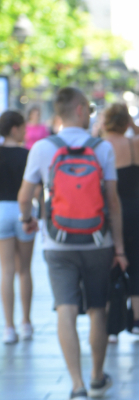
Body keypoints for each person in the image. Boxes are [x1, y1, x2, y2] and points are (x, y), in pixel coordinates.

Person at [18, 87, 128, 400]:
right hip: (98, 241)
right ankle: (96, 376)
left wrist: (28, 220)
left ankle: (77, 386)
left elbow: (25, 197)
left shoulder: (42, 148)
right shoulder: (102, 148)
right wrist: (119, 248)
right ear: (81, 110)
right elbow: (113, 203)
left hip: (57, 241)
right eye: (90, 108)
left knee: (65, 308)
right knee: (97, 308)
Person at [101, 104, 139, 342]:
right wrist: (135, 127)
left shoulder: (102, 146)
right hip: (136, 208)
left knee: (109, 264)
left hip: (109, 211)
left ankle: (112, 325)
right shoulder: (136, 144)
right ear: (126, 122)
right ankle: (136, 321)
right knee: (137, 265)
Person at [0, 111, 37, 344]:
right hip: (23, 210)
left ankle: (8, 327)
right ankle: (26, 322)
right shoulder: (27, 154)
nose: (25, 132)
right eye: (23, 128)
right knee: (24, 269)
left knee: (6, 270)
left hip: (1, 210)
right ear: (15, 129)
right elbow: (37, 187)